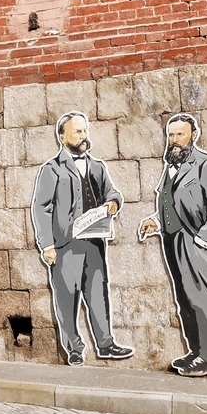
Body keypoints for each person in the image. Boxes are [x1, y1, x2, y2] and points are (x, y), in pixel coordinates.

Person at [31, 111, 133, 365]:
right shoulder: (51, 169)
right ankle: (74, 348)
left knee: (98, 293)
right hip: (65, 246)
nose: (83, 136)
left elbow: (113, 193)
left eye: (85, 131)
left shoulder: (98, 166)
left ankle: (106, 344)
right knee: (67, 299)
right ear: (62, 136)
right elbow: (41, 208)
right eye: (77, 131)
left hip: (95, 243)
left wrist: (113, 203)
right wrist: (47, 246)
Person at [138, 114, 207, 377]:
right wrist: (156, 221)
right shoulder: (171, 166)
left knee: (202, 297)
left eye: (180, 134)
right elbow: (171, 202)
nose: (174, 140)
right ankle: (195, 351)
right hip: (173, 240)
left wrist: (204, 239)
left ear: (194, 134)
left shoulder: (206, 164)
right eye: (171, 135)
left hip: (196, 241)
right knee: (185, 299)